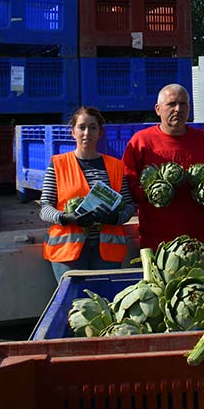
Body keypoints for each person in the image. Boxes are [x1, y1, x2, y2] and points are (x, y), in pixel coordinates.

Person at [40, 106, 136, 281]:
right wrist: (66, 218)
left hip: (107, 251)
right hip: (68, 252)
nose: (87, 133)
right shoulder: (58, 164)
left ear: (100, 133)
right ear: (73, 132)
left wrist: (115, 218)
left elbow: (129, 206)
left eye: (93, 127)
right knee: (74, 303)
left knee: (105, 303)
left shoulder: (116, 166)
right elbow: (44, 207)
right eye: (81, 127)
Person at [122, 83, 204, 248]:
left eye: (183, 104)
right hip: (155, 238)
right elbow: (127, 184)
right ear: (158, 109)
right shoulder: (141, 141)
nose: (178, 109)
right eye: (171, 104)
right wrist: (153, 191)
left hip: (196, 237)